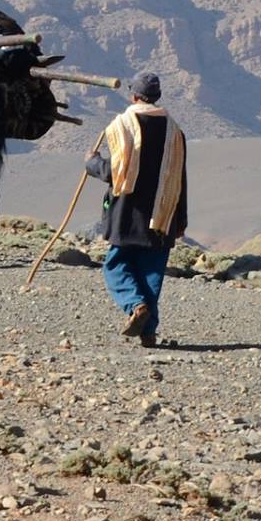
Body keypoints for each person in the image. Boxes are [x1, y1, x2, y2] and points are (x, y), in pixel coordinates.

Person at [86, 71, 188, 348]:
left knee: (116, 264)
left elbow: (114, 172)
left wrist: (92, 163)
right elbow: (180, 177)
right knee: (151, 273)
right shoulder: (175, 130)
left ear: (133, 96)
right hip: (164, 213)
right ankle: (148, 332)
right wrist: (181, 220)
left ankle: (135, 305)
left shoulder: (123, 126)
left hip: (127, 215)